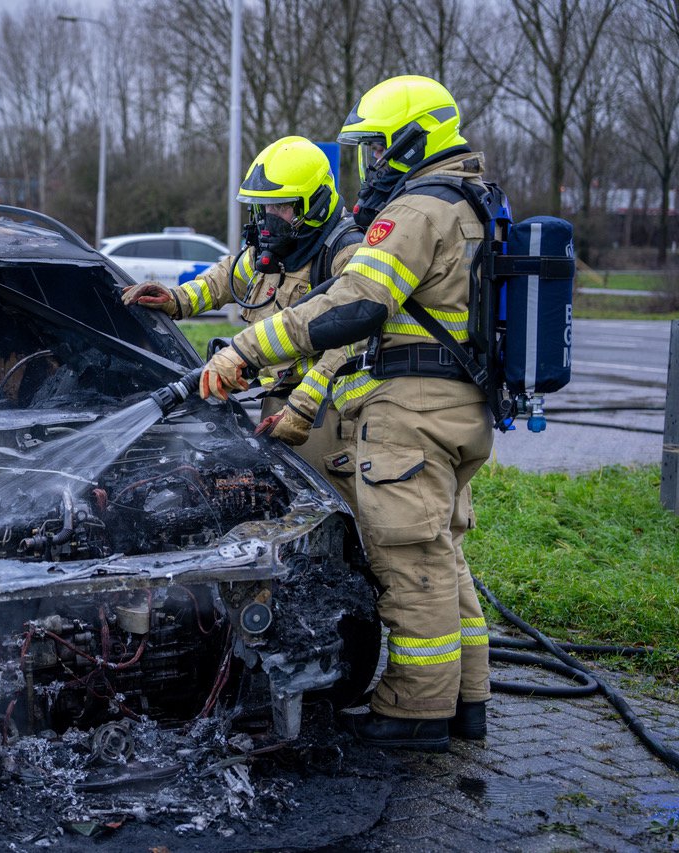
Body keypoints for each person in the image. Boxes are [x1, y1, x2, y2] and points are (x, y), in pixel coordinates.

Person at [198, 75, 494, 751]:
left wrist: (246, 349)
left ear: (410, 142)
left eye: (376, 149)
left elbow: (355, 303)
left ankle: (413, 711)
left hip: (412, 410)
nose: (369, 165)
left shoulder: (417, 210)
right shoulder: (470, 198)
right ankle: (467, 700)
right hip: (458, 404)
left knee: (407, 560)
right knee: (444, 555)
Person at [122, 136, 363, 502]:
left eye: (281, 207)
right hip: (277, 400)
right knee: (282, 503)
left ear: (314, 203)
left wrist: (302, 407)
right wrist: (176, 300)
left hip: (326, 413)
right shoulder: (274, 248)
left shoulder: (345, 253)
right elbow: (223, 280)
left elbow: (349, 341)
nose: (269, 220)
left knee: (329, 505)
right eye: (263, 208)